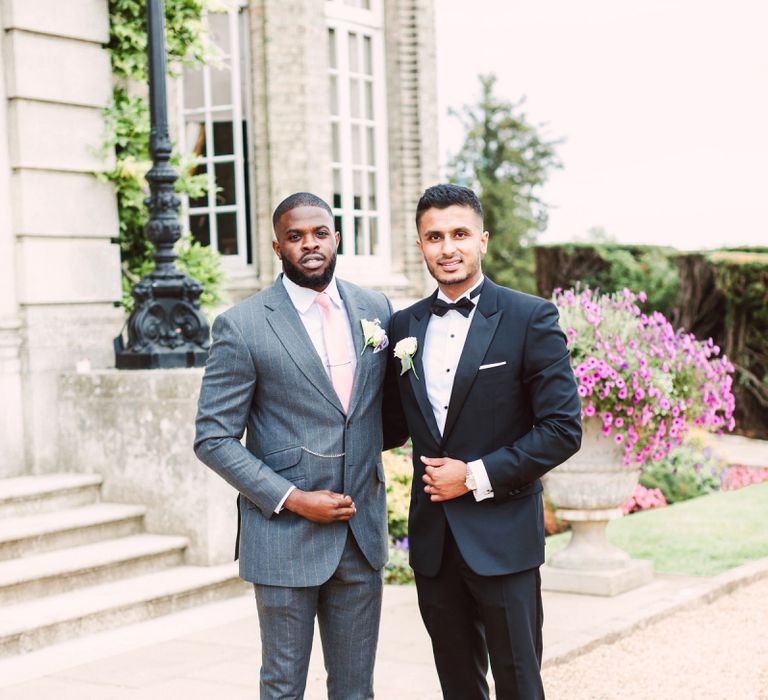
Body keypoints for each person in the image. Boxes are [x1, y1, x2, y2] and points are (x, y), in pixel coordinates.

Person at [194, 192, 398, 700]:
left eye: (319, 233)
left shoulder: (377, 310)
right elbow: (213, 437)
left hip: (360, 532)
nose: (309, 244)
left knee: (356, 690)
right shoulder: (241, 325)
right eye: (295, 235)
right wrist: (293, 498)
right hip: (285, 537)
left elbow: (385, 412)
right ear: (276, 246)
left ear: (336, 238)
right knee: (283, 687)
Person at [386, 184, 582, 699]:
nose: (447, 248)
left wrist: (472, 476)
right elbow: (387, 424)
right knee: (457, 685)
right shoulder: (403, 327)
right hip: (434, 545)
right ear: (420, 244)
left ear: (483, 240)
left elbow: (562, 429)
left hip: (504, 540)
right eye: (434, 237)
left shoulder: (530, 318)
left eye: (459, 234)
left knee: (519, 682)